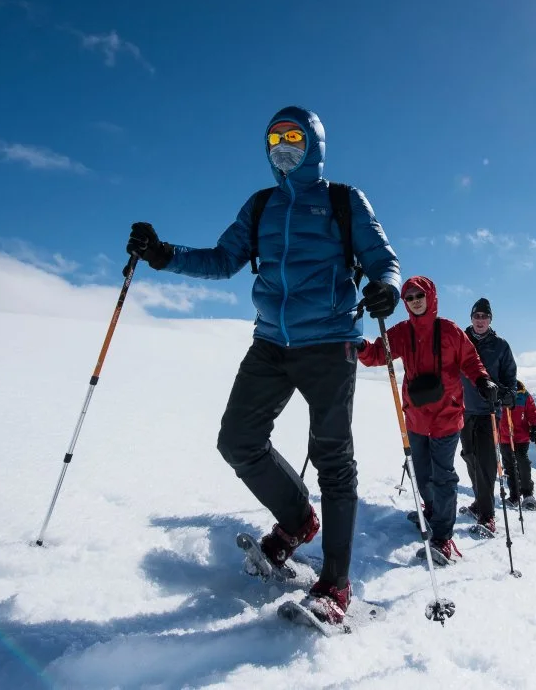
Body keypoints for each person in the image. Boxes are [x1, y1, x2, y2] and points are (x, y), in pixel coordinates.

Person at [125, 106, 400, 626]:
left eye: (293, 136)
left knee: (332, 459)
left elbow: (381, 255)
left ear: (314, 143)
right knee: (237, 439)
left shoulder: (343, 201)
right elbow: (222, 259)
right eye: (274, 139)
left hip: (331, 340)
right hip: (271, 342)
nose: (283, 146)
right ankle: (297, 522)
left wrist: (383, 285)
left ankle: (335, 584)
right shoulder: (261, 206)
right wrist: (164, 253)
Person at [358, 276, 499, 565]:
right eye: (408, 297)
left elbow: (470, 360)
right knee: (421, 473)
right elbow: (376, 355)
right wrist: (359, 345)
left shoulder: (449, 331)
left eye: (419, 295)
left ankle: (443, 537)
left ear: (430, 296)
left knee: (443, 475)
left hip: (446, 416)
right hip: (416, 418)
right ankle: (433, 510)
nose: (414, 301)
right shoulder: (401, 332)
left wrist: (483, 380)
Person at [458, 297, 518, 536]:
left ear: (490, 320)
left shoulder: (500, 345)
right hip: (463, 410)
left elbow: (510, 379)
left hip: (488, 412)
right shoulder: (460, 341)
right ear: (471, 318)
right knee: (469, 458)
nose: (480, 320)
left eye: (484, 316)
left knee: (486, 463)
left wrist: (507, 395)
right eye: (476, 316)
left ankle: (488, 515)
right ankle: (479, 502)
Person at [494, 380, 536, 511]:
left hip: (521, 436)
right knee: (509, 466)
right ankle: (514, 495)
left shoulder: (524, 394)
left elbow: (532, 412)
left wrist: (534, 427)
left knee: (522, 461)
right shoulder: (496, 392)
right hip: (504, 437)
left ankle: (527, 494)